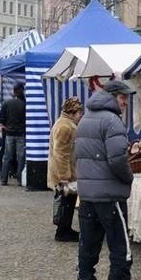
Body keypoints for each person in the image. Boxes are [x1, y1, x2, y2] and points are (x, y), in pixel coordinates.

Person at [75, 80, 137, 280]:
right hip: (109, 195)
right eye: (123, 97)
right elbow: (118, 159)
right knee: (120, 245)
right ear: (112, 96)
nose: (126, 102)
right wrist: (129, 178)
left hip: (88, 194)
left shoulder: (85, 119)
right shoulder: (112, 121)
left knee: (88, 244)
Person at [47, 97, 84, 242]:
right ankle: (63, 231)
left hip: (66, 170)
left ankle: (65, 229)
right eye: (79, 112)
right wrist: (64, 176)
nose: (81, 115)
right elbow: (61, 153)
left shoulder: (66, 124)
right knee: (66, 202)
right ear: (72, 112)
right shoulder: (65, 126)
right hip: (63, 173)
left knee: (68, 201)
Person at [0, 82, 26, 186]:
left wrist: (7, 128)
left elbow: (0, 120)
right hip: (20, 134)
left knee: (7, 157)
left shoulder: (7, 103)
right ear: (21, 91)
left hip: (9, 134)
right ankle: (19, 180)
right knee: (20, 158)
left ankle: (4, 179)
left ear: (13, 91)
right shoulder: (24, 105)